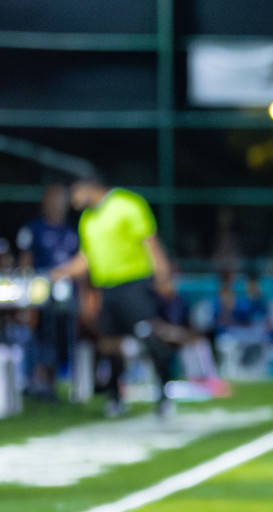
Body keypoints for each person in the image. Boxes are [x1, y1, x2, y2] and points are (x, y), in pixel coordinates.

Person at [49, 177, 187, 418]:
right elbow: (87, 258)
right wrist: (63, 272)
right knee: (108, 344)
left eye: (76, 192)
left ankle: (165, 394)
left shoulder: (127, 204)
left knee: (149, 337)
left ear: (89, 186)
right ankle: (115, 397)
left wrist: (163, 276)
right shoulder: (87, 219)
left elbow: (150, 242)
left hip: (135, 284)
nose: (73, 199)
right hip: (107, 289)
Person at [16, 183, 80, 400]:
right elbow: (25, 263)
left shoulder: (71, 232)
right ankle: (36, 379)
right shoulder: (33, 229)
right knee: (40, 336)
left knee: (63, 337)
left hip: (67, 296)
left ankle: (56, 381)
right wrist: (26, 295)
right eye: (52, 200)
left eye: (60, 201)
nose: (56, 205)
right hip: (39, 295)